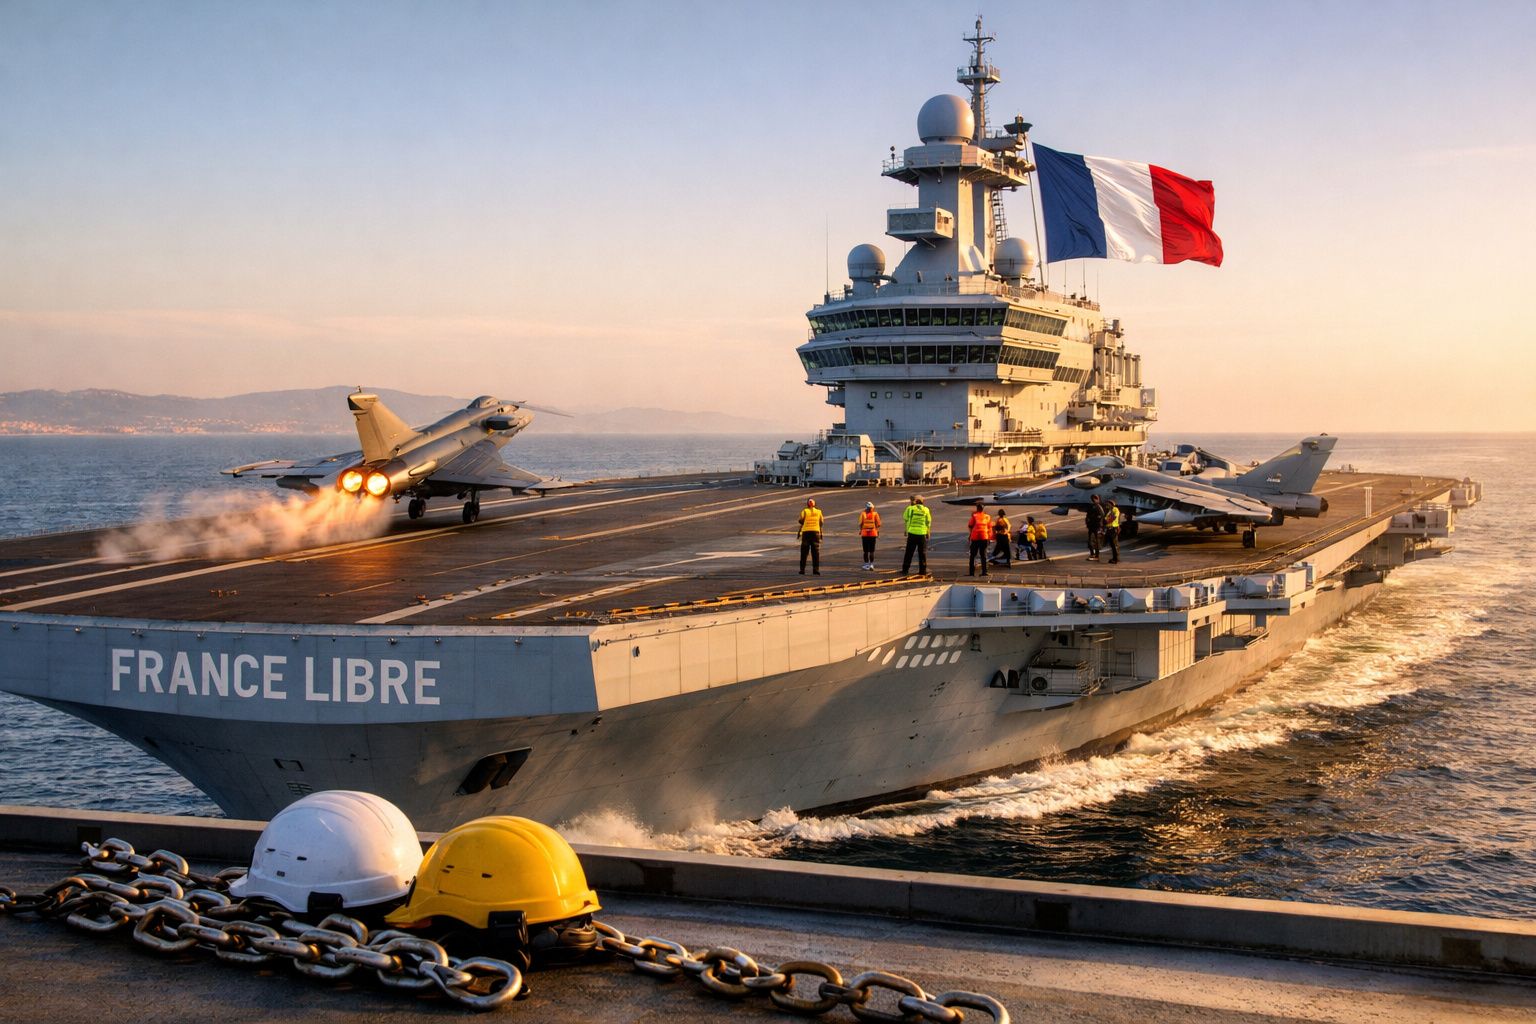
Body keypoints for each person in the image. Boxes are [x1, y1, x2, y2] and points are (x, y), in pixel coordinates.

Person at [901, 495, 931, 575]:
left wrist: (906, 530)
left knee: (909, 552)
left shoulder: (910, 508)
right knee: (922, 553)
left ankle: (905, 569)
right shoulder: (926, 510)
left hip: (912, 533)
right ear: (923, 502)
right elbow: (928, 522)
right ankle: (922, 571)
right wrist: (928, 532)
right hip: (922, 534)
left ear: (916, 502)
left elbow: (905, 518)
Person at [966, 500, 993, 576]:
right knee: (983, 555)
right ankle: (984, 572)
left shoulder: (974, 516)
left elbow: (970, 526)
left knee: (973, 555)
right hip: (984, 537)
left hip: (975, 538)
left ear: (977, 509)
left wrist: (970, 535)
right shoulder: (987, 517)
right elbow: (990, 527)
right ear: (983, 509)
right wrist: (989, 537)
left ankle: (971, 572)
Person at [797, 497, 823, 575]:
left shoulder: (805, 511)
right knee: (815, 552)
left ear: (807, 504)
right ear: (815, 504)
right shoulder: (819, 512)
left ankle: (802, 569)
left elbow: (800, 520)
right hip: (815, 533)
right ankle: (816, 570)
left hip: (806, 533)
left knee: (804, 552)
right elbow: (821, 522)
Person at [857, 501, 881, 570]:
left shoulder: (863, 514)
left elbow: (860, 523)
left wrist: (861, 530)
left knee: (865, 551)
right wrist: (877, 529)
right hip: (873, 534)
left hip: (864, 534)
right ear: (872, 508)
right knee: (872, 551)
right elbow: (879, 524)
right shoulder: (875, 514)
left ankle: (866, 564)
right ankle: (871, 565)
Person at [1085, 494, 1103, 561]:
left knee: (1096, 541)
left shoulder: (1099, 507)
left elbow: (1102, 516)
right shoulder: (1091, 506)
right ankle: (1092, 554)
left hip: (1096, 526)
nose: (1094, 500)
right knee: (1090, 541)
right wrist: (1087, 523)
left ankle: (1097, 555)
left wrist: (1100, 526)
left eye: (1095, 498)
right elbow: (1087, 516)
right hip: (1091, 526)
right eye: (1093, 498)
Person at [1103, 498, 1121, 565]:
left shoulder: (1115, 509)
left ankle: (1115, 559)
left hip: (1113, 529)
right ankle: (1114, 558)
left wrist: (1107, 521)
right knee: (1112, 545)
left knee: (1114, 545)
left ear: (1111, 504)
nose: (1107, 505)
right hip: (1109, 529)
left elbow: (1114, 517)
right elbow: (1106, 519)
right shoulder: (1109, 511)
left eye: (1108, 504)